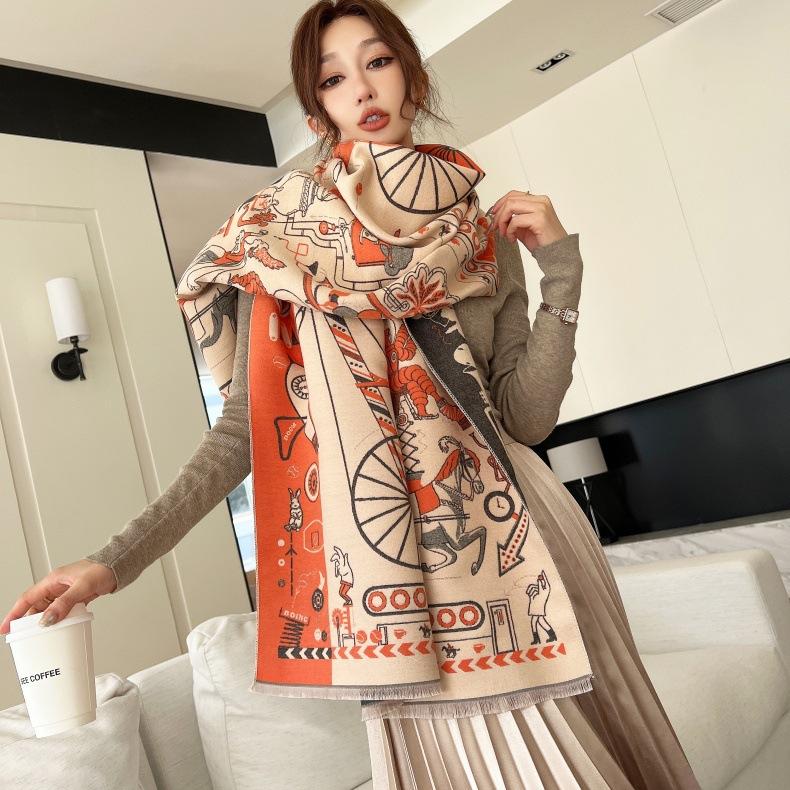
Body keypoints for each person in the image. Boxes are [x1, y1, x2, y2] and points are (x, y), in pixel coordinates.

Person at [1, 2, 701, 787]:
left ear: (412, 78)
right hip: (391, 579)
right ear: (316, 112)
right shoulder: (277, 244)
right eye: (334, 78)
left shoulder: (481, 236)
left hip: (529, 544)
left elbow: (525, 420)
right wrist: (113, 562)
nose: (361, 87)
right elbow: (242, 434)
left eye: (377, 62)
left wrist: (561, 274)